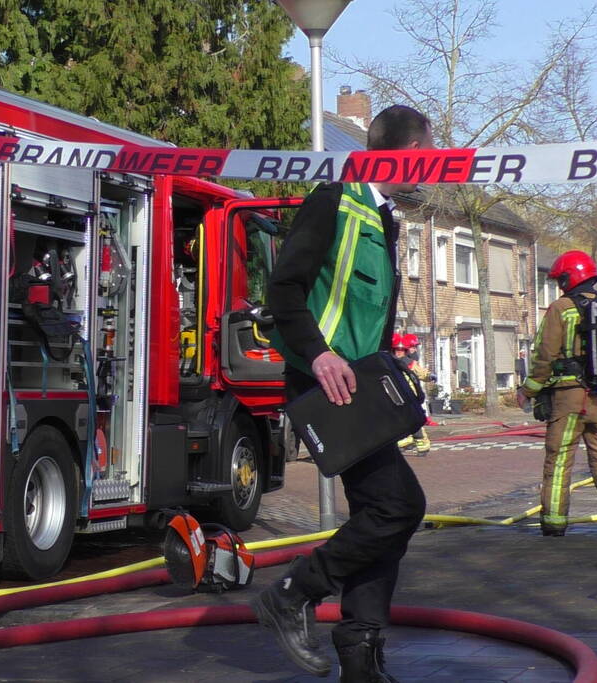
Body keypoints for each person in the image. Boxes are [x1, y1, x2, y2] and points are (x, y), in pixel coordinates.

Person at [255, 105, 433, 681]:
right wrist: (320, 353)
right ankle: (292, 593)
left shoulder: (383, 218)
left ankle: (360, 655)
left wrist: (391, 376)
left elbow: (367, 316)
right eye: (428, 155)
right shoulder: (333, 201)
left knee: (384, 512)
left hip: (361, 388)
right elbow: (283, 291)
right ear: (406, 153)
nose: (432, 167)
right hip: (324, 384)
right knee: (397, 507)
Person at [516, 251, 597, 537]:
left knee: (559, 458)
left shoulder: (560, 308)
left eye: (560, 280)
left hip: (569, 398)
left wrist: (529, 390)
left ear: (568, 278)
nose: (559, 285)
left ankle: (554, 522)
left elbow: (545, 354)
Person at [396, 333, 432, 454]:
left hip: (410, 396)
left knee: (414, 420)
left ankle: (422, 444)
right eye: (413, 347)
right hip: (399, 396)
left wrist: (429, 376)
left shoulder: (410, 363)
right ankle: (408, 440)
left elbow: (421, 374)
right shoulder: (398, 362)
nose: (415, 349)